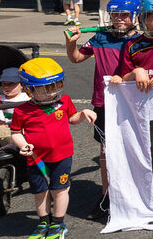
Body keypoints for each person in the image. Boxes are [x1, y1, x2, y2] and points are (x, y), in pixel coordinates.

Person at [65, 0, 140, 220]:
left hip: (135, 103)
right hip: (104, 102)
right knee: (106, 150)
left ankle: (137, 194)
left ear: (136, 17)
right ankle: (107, 195)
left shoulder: (143, 39)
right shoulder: (100, 37)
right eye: (115, 15)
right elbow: (76, 58)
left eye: (124, 15)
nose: (119, 19)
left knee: (137, 149)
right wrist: (71, 42)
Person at [10, 58, 97, 239]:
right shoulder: (21, 111)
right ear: (28, 89)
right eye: (45, 89)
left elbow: (72, 118)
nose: (53, 92)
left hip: (62, 156)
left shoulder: (64, 101)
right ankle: (43, 222)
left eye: (56, 86)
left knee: (60, 189)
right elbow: (16, 132)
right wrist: (23, 145)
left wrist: (83, 113)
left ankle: (58, 223)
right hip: (36, 158)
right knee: (40, 191)